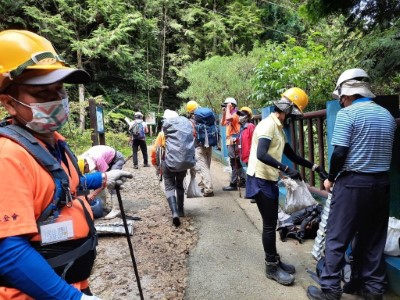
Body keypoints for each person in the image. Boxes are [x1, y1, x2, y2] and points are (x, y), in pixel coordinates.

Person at [0, 29, 132, 300]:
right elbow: (8, 252)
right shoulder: (9, 157)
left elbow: (65, 189)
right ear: (9, 104)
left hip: (69, 283)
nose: (57, 99)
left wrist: (105, 178)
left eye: (59, 89)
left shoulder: (51, 144)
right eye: (42, 93)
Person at [307, 69, 397, 300]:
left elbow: (339, 153)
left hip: (354, 184)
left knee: (337, 237)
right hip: (381, 184)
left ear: (346, 95)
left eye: (341, 99)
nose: (341, 103)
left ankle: (330, 290)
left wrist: (331, 178)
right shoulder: (386, 115)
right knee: (373, 239)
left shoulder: (348, 115)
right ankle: (371, 288)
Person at [245, 87, 328, 286]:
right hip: (260, 179)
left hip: (269, 179)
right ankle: (271, 266)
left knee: (272, 222)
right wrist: (285, 169)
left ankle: (274, 258)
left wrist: (317, 168)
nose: (294, 118)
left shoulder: (278, 127)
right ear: (287, 110)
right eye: (294, 113)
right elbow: (262, 154)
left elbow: (292, 155)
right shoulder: (268, 126)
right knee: (268, 224)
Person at [78, 145, 126, 220]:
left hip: (116, 159)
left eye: (85, 171)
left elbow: (105, 180)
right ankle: (103, 206)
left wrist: (93, 194)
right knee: (97, 182)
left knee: (111, 183)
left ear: (86, 165)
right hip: (105, 160)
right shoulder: (82, 158)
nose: (85, 173)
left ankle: (116, 209)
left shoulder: (98, 160)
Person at [186, 100, 215, 197]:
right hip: (209, 144)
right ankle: (204, 184)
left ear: (190, 111)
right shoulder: (206, 117)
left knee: (203, 168)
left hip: (199, 146)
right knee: (207, 165)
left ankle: (208, 189)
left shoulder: (193, 121)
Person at [221, 97, 246, 191]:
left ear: (232, 105)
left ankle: (233, 183)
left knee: (234, 162)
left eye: (227, 105)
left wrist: (228, 109)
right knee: (236, 162)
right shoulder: (229, 114)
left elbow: (228, 118)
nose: (225, 107)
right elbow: (222, 123)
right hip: (230, 141)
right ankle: (243, 180)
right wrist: (224, 111)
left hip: (234, 141)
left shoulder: (235, 114)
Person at [236, 106, 256, 203]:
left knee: (253, 175)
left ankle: (255, 195)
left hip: (251, 156)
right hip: (246, 156)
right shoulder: (242, 128)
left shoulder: (250, 127)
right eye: (239, 115)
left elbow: (254, 141)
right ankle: (251, 194)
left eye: (242, 115)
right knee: (250, 174)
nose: (240, 117)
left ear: (248, 116)